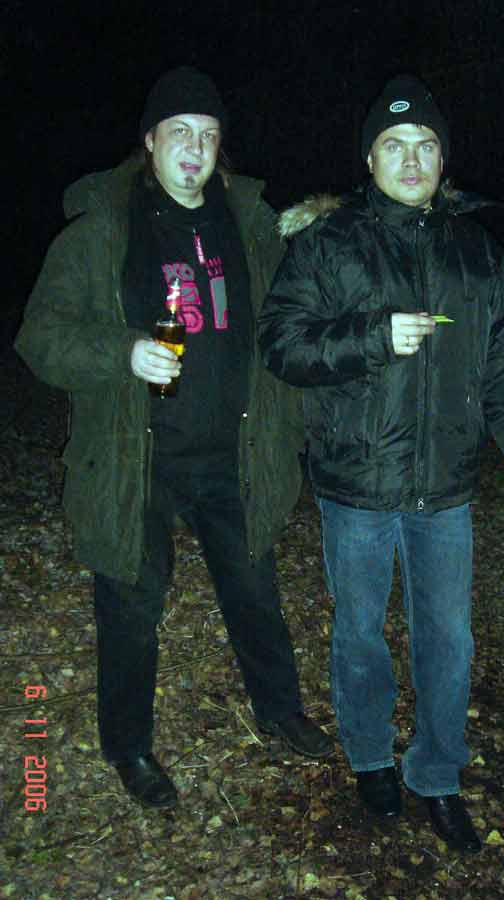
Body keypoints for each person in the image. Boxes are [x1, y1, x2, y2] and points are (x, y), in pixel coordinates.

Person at [15, 66, 333, 809]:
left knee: (254, 588)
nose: (194, 148)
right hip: (138, 456)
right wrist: (121, 352)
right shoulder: (101, 232)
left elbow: (289, 328)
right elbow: (40, 337)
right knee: (130, 604)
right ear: (151, 141)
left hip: (232, 452)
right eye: (179, 132)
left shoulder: (253, 229)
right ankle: (129, 746)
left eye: (209, 136)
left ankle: (278, 708)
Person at [258, 74, 504, 852]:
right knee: (359, 634)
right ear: (370, 158)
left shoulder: (477, 252)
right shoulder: (327, 243)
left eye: (426, 145)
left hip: (446, 489)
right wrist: (370, 337)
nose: (412, 159)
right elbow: (281, 345)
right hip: (356, 485)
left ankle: (436, 774)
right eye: (395, 145)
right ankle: (369, 757)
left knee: (448, 641)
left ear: (443, 159)